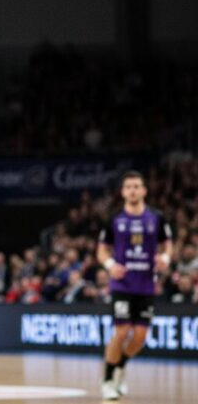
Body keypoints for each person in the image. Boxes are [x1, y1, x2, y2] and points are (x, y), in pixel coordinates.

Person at [97, 170, 172, 401]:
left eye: (136, 186)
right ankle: (108, 380)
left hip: (146, 285)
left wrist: (165, 259)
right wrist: (110, 265)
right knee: (122, 330)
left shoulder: (157, 218)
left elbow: (168, 244)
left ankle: (120, 366)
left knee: (140, 336)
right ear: (122, 191)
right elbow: (101, 250)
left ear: (144, 191)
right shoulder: (114, 219)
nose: (132, 190)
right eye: (128, 186)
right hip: (122, 284)